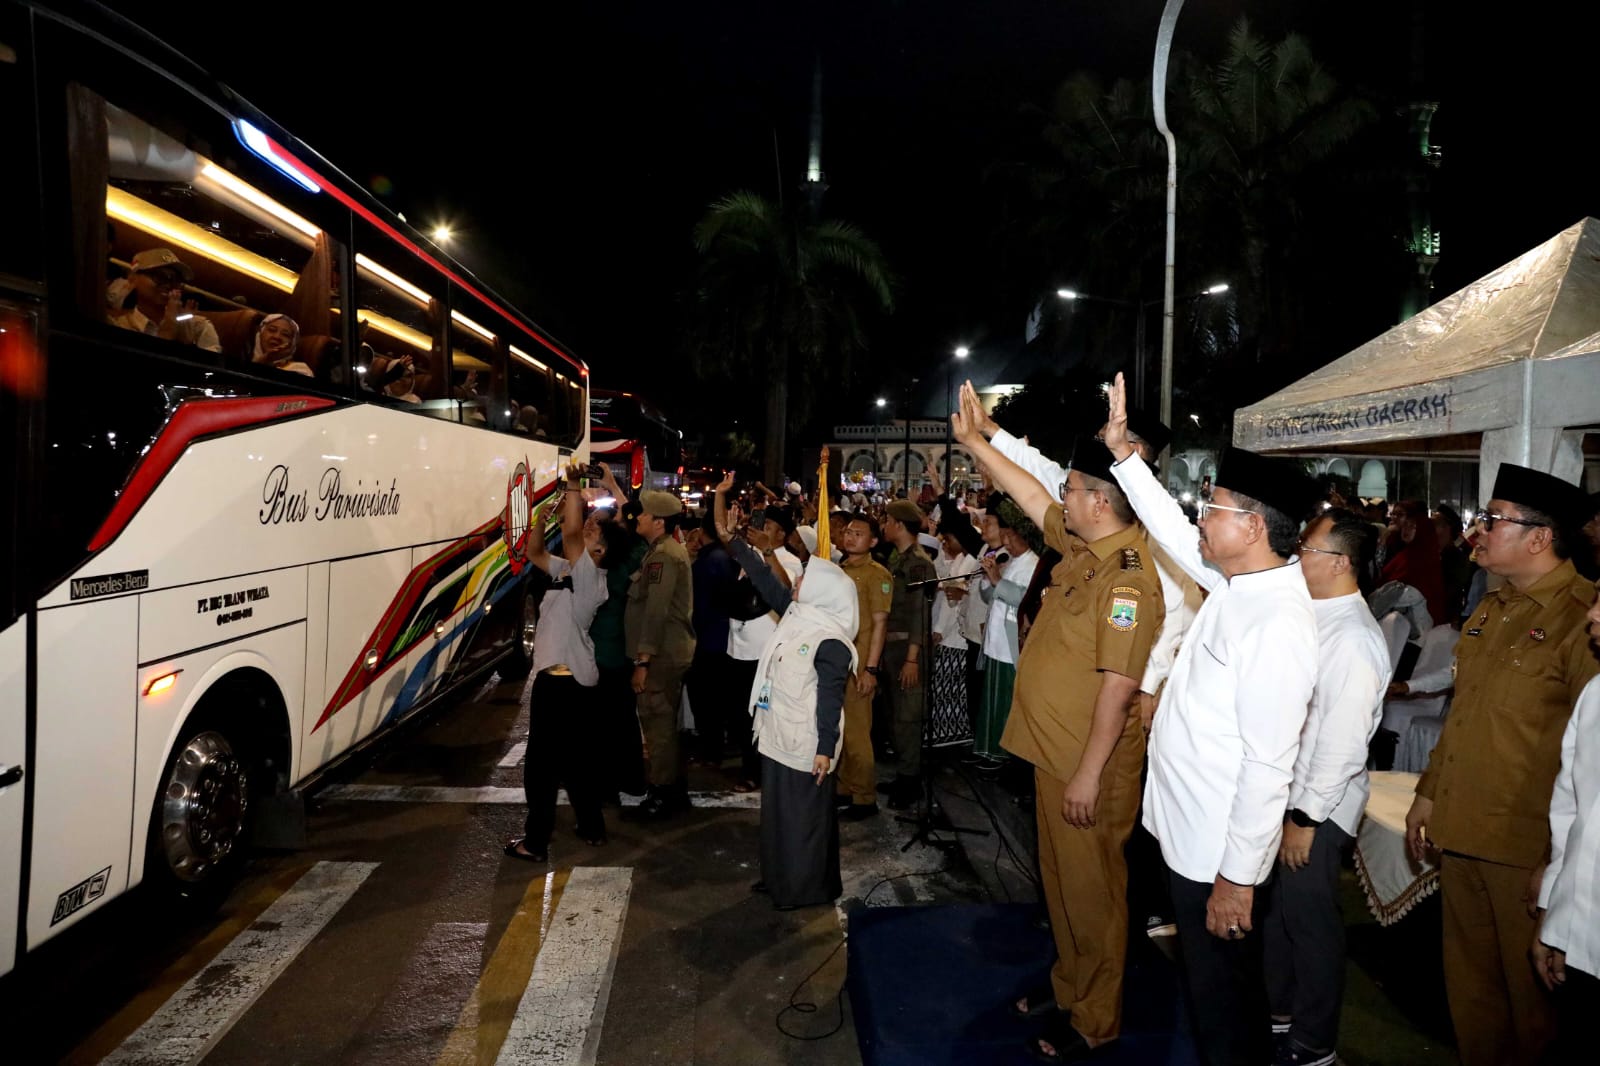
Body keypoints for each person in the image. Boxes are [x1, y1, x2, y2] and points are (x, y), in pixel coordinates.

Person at [1103, 372, 1322, 1066]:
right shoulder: (1238, 584)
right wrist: (1124, 456)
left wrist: (1236, 878)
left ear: (1253, 527)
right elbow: (1172, 531)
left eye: (1213, 507)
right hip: (1185, 832)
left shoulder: (1277, 621)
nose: (1201, 516)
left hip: (1217, 856)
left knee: (1225, 1009)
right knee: (1209, 1001)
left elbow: (1268, 766)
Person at [954, 406, 1166, 1063]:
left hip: (1087, 763)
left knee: (1093, 892)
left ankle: (1096, 1019)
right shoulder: (1082, 547)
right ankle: (1070, 986)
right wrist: (975, 442)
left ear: (1100, 502)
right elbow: (1029, 492)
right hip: (1056, 753)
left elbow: (1118, 687)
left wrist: (1089, 775)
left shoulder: (1128, 577)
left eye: (1072, 489)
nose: (1062, 497)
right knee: (1061, 883)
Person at [1404, 463, 1598, 1066]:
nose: (1477, 532)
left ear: (1539, 537)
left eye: (1493, 520)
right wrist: (1429, 792)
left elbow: (1590, 760)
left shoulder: (1581, 617)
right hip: (1463, 829)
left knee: (1533, 1011)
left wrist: (1555, 862)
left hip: (1525, 848)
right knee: (1473, 997)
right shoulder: (1493, 607)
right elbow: (1465, 714)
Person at [1262, 509, 1387, 1066]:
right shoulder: (1314, 615)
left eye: (1307, 549)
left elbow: (1342, 745)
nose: (1296, 557)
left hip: (1319, 807)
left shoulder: (1354, 637)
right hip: (1290, 797)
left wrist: (1305, 818)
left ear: (1339, 563)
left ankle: (1313, 1043)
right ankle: (1280, 1015)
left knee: (1311, 924)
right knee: (1282, 918)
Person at [720, 522, 856, 911]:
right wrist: (735, 542)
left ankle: (803, 890)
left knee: (802, 819)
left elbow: (830, 701)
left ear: (822, 592)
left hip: (806, 745)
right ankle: (779, 877)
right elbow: (764, 580)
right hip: (777, 734)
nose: (795, 582)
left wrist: (825, 749)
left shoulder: (830, 640)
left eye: (803, 580)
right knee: (779, 815)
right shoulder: (799, 616)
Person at [505, 464, 610, 863]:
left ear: (600, 551)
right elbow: (534, 553)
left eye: (594, 530)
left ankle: (535, 843)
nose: (587, 528)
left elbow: (570, 536)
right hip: (568, 682)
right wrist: (539, 520)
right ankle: (591, 827)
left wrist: (572, 486)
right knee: (577, 762)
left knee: (541, 768)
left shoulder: (590, 578)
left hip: (562, 684)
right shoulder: (569, 569)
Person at [1531, 594, 1600, 1060]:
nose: (1592, 613)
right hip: (1585, 945)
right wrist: (1555, 924)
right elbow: (1572, 819)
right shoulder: (1594, 696)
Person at [624, 489, 697, 820]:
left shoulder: (664, 556)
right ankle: (671, 790)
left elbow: (655, 612)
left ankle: (662, 794)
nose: (638, 517)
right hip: (666, 652)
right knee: (663, 723)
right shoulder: (661, 550)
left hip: (662, 655)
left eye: (644, 513)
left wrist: (643, 661)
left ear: (659, 522)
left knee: (658, 725)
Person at [879, 498, 939, 809]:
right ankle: (903, 775)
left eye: (887, 521)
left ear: (899, 525)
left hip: (907, 650)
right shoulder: (898, 559)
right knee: (894, 716)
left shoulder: (919, 563)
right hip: (892, 649)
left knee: (908, 718)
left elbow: (919, 613)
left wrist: (912, 658)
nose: (884, 526)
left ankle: (911, 781)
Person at [972, 497, 1039, 774]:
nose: (1007, 543)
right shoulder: (1012, 561)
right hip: (995, 640)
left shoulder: (1034, 564)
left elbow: (1025, 598)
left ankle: (1003, 756)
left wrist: (998, 581)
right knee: (991, 701)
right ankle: (988, 749)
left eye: (1011, 537)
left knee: (1006, 703)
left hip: (1011, 644)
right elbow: (992, 596)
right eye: (1006, 537)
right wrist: (989, 577)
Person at [834, 513, 892, 820]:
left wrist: (870, 669)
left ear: (873, 541)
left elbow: (880, 624)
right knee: (840, 731)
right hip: (838, 661)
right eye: (848, 531)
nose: (850, 536)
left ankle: (864, 798)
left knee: (857, 734)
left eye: (859, 533)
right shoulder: (839, 570)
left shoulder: (876, 574)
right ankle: (844, 788)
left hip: (859, 664)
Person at [107, 248, 221, 352]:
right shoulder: (118, 325)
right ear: (133, 278)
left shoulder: (199, 327)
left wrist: (186, 343)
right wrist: (166, 335)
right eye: (159, 276)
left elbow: (211, 366)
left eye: (176, 280)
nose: (169, 285)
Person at [1381, 500, 1448, 625]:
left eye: (1413, 527)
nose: (1406, 530)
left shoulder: (1423, 558)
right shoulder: (1404, 554)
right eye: (1406, 525)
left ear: (1422, 530)